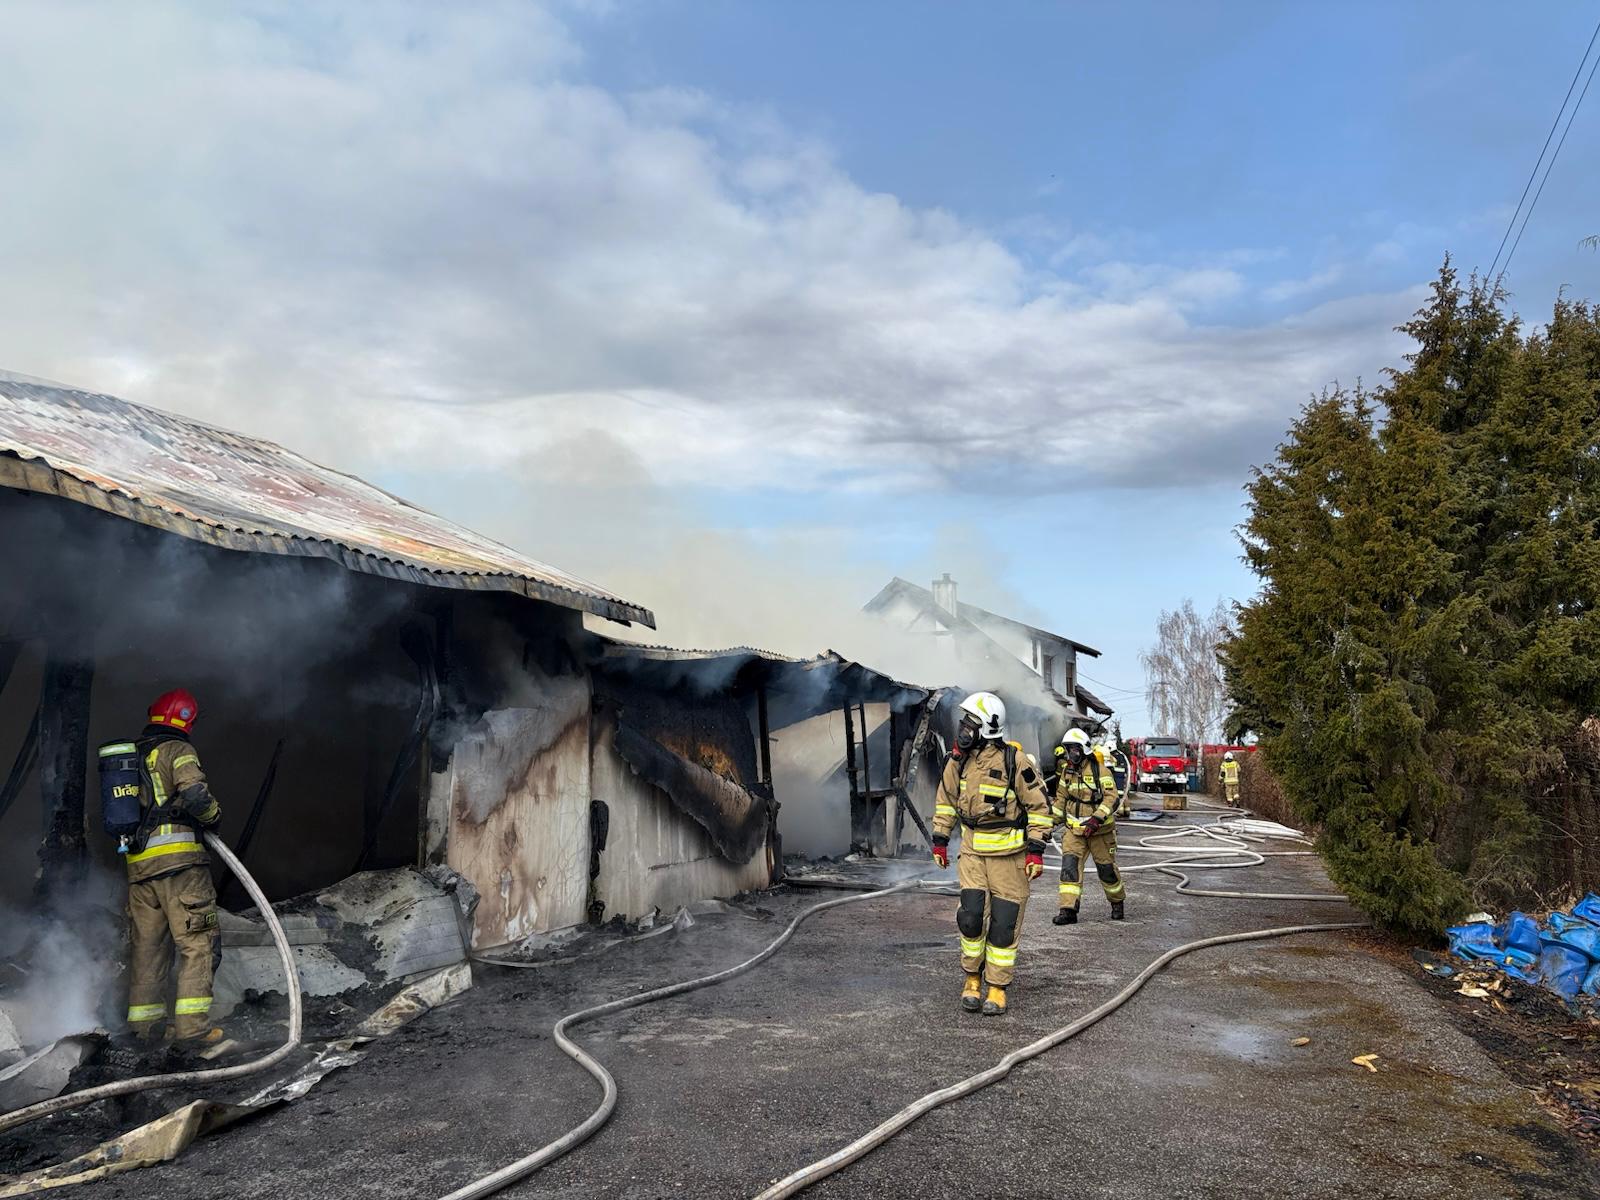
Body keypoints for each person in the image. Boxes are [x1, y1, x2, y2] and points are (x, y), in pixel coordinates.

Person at [931, 692, 1051, 1016]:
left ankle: (996, 987)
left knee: (1003, 924)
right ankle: (972, 979)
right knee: (969, 919)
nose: (962, 729)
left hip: (1010, 859)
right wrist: (940, 838)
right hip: (972, 854)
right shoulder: (958, 763)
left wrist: (1036, 851)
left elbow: (1040, 808)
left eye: (970, 723)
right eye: (963, 722)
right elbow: (945, 801)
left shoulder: (1015, 762)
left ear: (988, 727)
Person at [124, 689, 224, 1047]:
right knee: (197, 944)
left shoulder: (131, 757)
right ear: (188, 721)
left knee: (147, 949)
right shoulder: (178, 750)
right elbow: (196, 796)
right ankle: (193, 1032)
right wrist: (213, 817)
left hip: (139, 869)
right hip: (181, 867)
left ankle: (145, 1031)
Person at [1051, 727, 1125, 923]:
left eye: (1074, 749)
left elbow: (1111, 798)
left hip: (1100, 831)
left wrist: (1096, 818)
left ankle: (1117, 902)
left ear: (1084, 749)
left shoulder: (1101, 771)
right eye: (1068, 750)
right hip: (1074, 831)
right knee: (1069, 868)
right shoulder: (1067, 773)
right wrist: (1047, 823)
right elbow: (1060, 800)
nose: (1071, 754)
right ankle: (1068, 910)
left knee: (1106, 870)